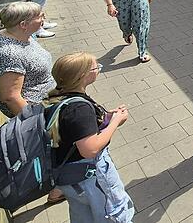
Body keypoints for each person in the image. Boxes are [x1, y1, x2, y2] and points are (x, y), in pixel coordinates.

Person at [45, 52, 134, 222]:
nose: (98, 69)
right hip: (88, 176)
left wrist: (106, 118)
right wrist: (115, 122)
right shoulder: (79, 109)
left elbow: (75, 129)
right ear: (82, 76)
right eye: (96, 67)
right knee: (114, 213)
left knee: (83, 215)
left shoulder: (57, 97)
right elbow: (90, 148)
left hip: (68, 177)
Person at [0, 2, 55, 118]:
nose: (44, 18)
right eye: (39, 16)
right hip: (36, 109)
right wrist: (35, 123)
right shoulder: (10, 55)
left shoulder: (12, 34)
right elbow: (10, 97)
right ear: (23, 24)